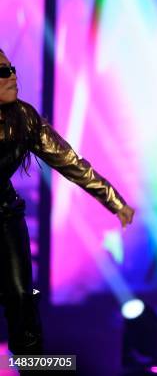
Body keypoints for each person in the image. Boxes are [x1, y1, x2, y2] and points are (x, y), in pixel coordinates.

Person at [0, 49, 134, 360]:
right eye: (3, 72)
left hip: (5, 214)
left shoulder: (25, 118)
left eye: (12, 69)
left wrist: (114, 201)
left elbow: (71, 163)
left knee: (22, 298)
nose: (13, 76)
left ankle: (34, 368)